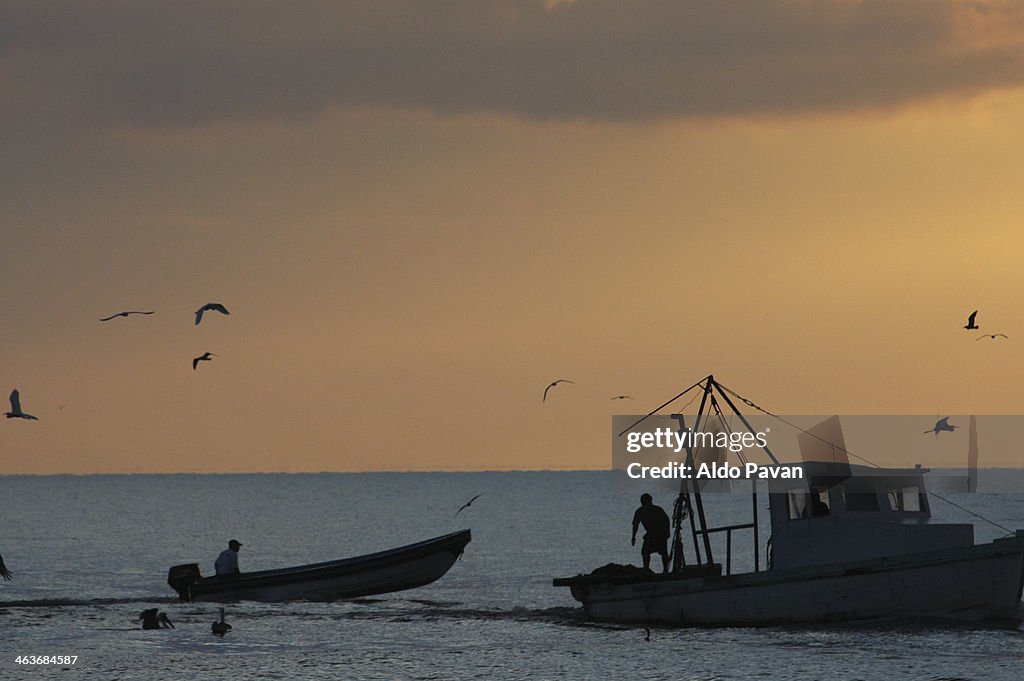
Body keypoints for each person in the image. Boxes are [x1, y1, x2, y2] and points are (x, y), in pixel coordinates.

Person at [631, 493, 671, 573]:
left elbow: (666, 521)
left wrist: (667, 532)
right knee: (646, 552)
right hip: (653, 533)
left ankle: (664, 570)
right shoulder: (641, 511)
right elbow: (635, 524)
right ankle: (647, 569)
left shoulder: (656, 510)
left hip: (660, 533)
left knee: (662, 553)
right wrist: (633, 536)